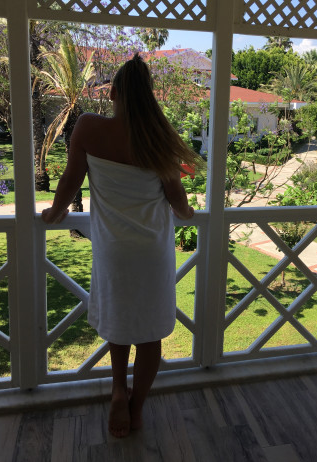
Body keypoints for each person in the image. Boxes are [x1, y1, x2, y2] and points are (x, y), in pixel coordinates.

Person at [42, 53, 199, 438]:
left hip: (113, 250)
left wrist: (55, 213)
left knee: (120, 322)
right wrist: (188, 213)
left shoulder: (89, 127)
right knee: (149, 333)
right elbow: (178, 201)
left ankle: (117, 390)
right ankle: (137, 408)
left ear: (113, 92)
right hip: (152, 251)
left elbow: (70, 180)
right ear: (149, 95)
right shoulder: (157, 139)